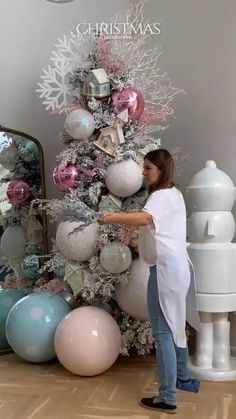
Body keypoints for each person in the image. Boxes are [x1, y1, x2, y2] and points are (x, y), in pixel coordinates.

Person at [99, 149, 201, 415]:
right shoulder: (174, 194)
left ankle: (168, 397)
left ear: (161, 169)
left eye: (148, 169)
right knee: (176, 325)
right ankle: (183, 379)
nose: (143, 174)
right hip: (178, 268)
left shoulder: (161, 196)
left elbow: (145, 218)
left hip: (166, 271)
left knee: (164, 333)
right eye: (144, 168)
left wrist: (111, 217)